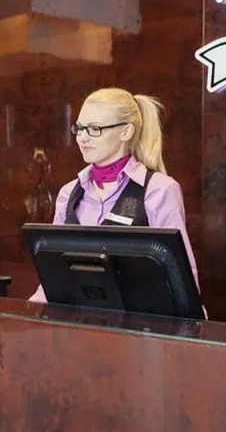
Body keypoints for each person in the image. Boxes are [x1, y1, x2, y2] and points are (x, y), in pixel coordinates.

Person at [30, 87, 200, 303]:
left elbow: (182, 281)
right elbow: (52, 275)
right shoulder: (68, 193)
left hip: (140, 321)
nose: (82, 138)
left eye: (94, 129)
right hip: (77, 319)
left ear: (125, 132)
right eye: (80, 128)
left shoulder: (158, 190)